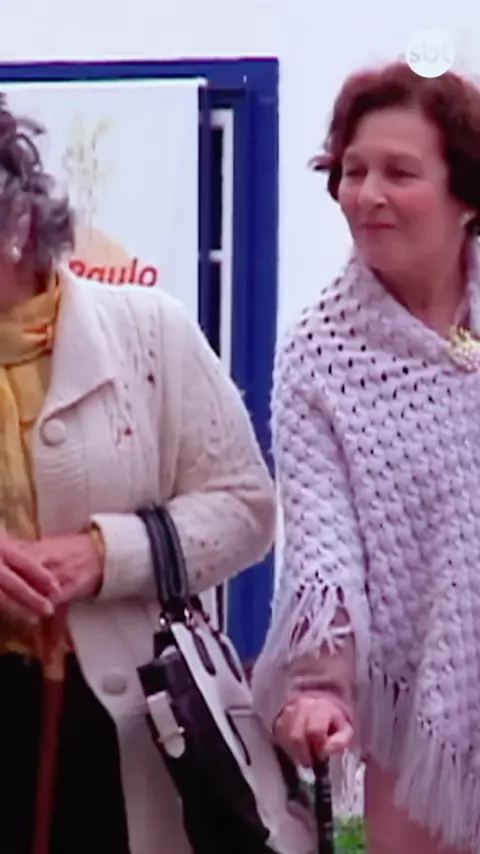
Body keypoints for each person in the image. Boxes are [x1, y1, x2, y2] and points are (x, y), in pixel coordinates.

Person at [0, 94, 276, 854]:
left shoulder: (147, 330)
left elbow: (245, 509)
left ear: (18, 222)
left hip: (131, 726)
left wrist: (105, 554)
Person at [251, 61, 480, 854]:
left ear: (467, 195)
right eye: (353, 171)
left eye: (399, 173)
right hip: (405, 736)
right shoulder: (320, 354)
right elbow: (325, 546)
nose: (367, 195)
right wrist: (320, 687)